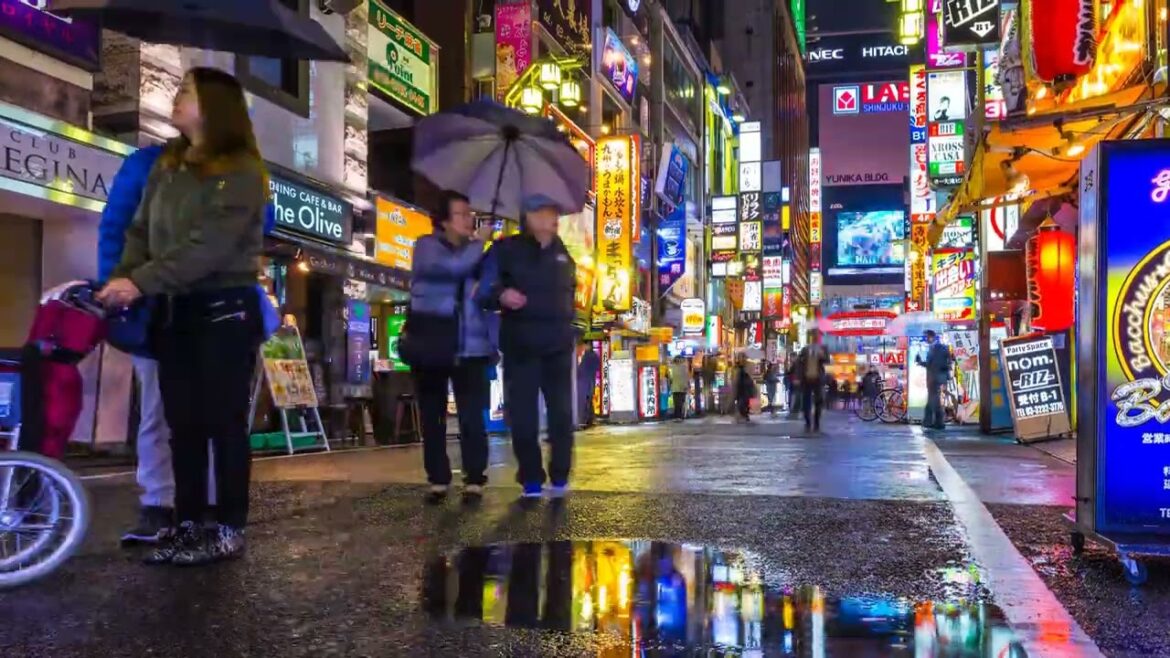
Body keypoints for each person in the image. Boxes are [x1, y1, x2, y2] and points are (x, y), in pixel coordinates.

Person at [99, 67, 269, 566]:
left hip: (225, 309)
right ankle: (188, 523)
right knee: (183, 426)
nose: (175, 98)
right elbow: (138, 231)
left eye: (187, 93)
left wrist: (140, 281)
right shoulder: (167, 162)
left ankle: (228, 527)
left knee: (224, 424)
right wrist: (123, 278)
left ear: (215, 105)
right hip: (174, 311)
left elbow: (210, 247)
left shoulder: (242, 169)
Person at [477, 195, 577, 499]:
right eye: (547, 212)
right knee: (523, 416)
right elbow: (483, 289)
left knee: (561, 414)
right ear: (529, 217)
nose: (554, 218)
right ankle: (531, 477)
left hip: (558, 345)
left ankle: (560, 475)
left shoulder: (563, 254)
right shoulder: (505, 250)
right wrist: (501, 294)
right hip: (521, 345)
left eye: (555, 213)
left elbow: (571, 294)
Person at [409, 191, 496, 502]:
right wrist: (478, 245)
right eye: (460, 214)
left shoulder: (477, 254)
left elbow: (488, 289)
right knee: (432, 416)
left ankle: (474, 477)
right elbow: (450, 268)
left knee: (472, 416)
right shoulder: (426, 247)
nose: (468, 219)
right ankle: (438, 479)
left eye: (469, 213)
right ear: (443, 220)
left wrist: (485, 283)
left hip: (470, 344)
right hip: (432, 340)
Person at [917, 330, 952, 430]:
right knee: (934, 400)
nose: (925, 339)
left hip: (935, 378)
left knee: (932, 400)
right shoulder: (935, 348)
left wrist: (922, 363)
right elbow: (932, 364)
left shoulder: (938, 348)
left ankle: (930, 422)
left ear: (931, 337)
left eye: (926, 337)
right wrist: (921, 362)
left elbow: (935, 365)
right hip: (935, 378)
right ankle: (937, 422)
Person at [795, 330, 829, 433]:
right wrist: (798, 376)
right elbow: (799, 363)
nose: (815, 337)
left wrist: (822, 355)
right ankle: (808, 422)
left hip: (818, 379)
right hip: (806, 379)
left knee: (818, 401)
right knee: (806, 401)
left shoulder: (823, 349)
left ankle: (816, 423)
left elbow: (827, 361)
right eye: (813, 335)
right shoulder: (805, 349)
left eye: (816, 335)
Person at [577, 345, 601, 428]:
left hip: (584, 383)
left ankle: (583, 421)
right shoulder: (593, 356)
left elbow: (580, 370)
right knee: (588, 401)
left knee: (584, 402)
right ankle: (590, 420)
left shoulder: (587, 357)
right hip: (590, 382)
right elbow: (598, 367)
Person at [733, 355, 755, 423]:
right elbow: (751, 385)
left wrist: (736, 394)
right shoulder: (746, 377)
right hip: (746, 394)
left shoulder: (741, 377)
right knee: (745, 405)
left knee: (742, 405)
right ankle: (745, 415)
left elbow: (738, 386)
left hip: (743, 394)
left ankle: (744, 415)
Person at [669, 357, 690, 421]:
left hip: (676, 388)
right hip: (682, 388)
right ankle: (680, 416)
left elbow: (670, 378)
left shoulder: (672, 368)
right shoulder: (684, 368)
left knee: (677, 403)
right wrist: (687, 386)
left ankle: (677, 416)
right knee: (681, 403)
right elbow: (686, 378)